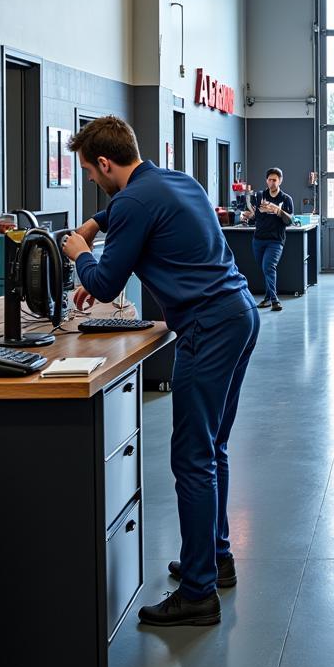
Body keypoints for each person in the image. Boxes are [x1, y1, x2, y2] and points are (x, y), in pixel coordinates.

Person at [60, 116, 259, 627]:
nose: (90, 181)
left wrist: (80, 251)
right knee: (212, 446)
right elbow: (126, 213)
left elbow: (104, 285)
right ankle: (215, 560)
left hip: (207, 328)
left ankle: (197, 595)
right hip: (239, 314)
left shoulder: (131, 202)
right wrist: (96, 224)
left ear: (105, 163)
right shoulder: (176, 180)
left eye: (89, 171)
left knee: (192, 457)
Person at [241, 167, 294, 311]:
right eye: (270, 180)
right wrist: (248, 215)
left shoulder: (286, 199)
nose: (272, 183)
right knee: (266, 269)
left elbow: (290, 221)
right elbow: (255, 216)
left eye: (275, 180)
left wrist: (277, 210)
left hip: (275, 240)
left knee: (269, 267)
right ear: (266, 180)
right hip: (258, 240)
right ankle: (267, 298)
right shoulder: (259, 196)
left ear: (280, 181)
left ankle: (275, 300)